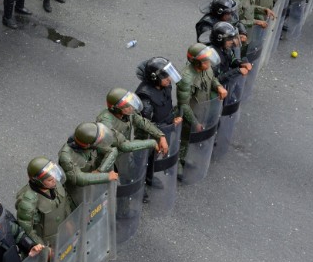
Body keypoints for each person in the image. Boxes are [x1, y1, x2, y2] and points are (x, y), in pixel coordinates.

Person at [135, 57, 182, 202]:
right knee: (142, 161)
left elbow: (167, 105)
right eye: (165, 76)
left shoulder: (166, 86)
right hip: (149, 135)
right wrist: (153, 140)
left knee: (154, 158)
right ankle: (137, 188)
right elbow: (144, 124)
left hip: (163, 128)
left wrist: (172, 118)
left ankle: (149, 178)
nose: (169, 79)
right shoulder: (145, 95)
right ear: (155, 78)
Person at [176, 43, 227, 167]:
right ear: (196, 63)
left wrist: (219, 86)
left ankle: (186, 158)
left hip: (203, 108)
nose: (209, 62)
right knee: (185, 139)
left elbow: (212, 78)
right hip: (191, 114)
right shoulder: (186, 79)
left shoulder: (206, 68)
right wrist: (195, 122)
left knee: (194, 137)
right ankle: (179, 164)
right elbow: (183, 105)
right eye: (205, 61)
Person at [15, 157, 75, 246]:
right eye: (50, 180)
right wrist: (44, 250)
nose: (54, 180)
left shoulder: (55, 186)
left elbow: (65, 205)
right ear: (37, 181)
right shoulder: (27, 201)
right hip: (46, 243)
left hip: (62, 234)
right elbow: (27, 230)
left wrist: (70, 223)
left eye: (54, 176)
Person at [58, 122, 119, 204]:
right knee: (81, 212)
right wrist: (107, 176)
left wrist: (100, 171)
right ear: (87, 145)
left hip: (93, 182)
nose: (100, 143)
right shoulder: (66, 156)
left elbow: (112, 151)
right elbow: (78, 179)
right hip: (77, 191)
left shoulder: (90, 141)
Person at [96, 88, 168, 156]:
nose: (131, 107)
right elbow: (124, 146)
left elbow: (143, 123)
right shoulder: (106, 123)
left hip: (122, 156)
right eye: (126, 106)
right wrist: (152, 143)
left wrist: (160, 136)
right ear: (116, 109)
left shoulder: (126, 114)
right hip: (108, 159)